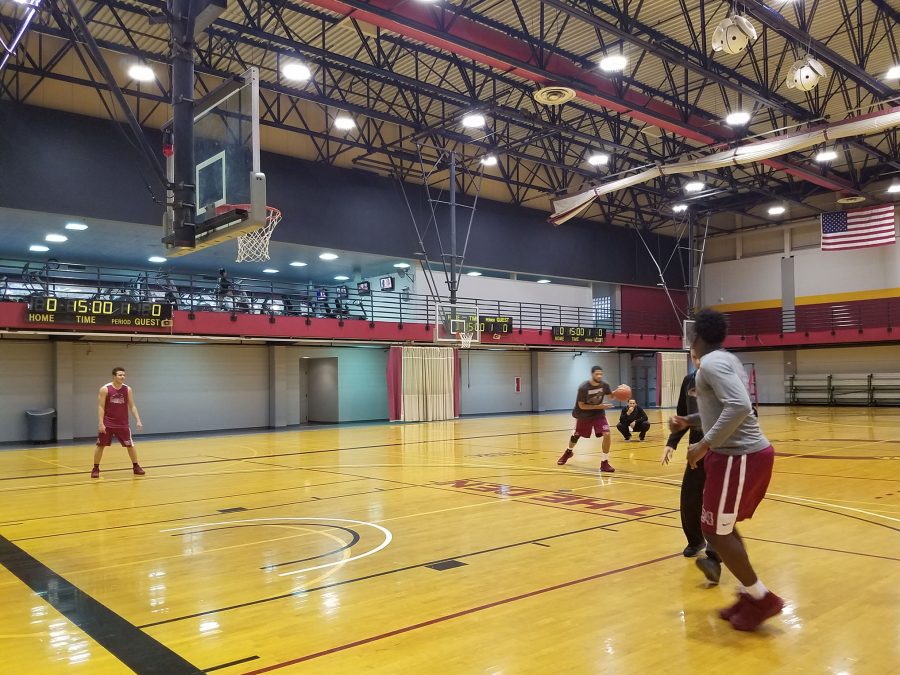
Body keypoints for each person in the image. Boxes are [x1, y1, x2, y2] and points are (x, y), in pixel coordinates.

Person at [669, 309, 782, 631]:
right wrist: (688, 421)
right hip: (736, 456)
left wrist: (702, 444)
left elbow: (741, 407)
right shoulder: (726, 359)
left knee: (716, 530)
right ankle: (751, 593)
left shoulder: (713, 364)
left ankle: (762, 600)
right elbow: (723, 408)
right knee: (718, 528)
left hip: (739, 456)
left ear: (695, 337)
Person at [662, 351, 722, 582]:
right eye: (695, 356)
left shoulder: (721, 381)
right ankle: (695, 540)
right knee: (689, 497)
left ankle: (714, 555)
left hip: (721, 448)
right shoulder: (689, 381)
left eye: (703, 356)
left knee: (716, 504)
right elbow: (683, 417)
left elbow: (738, 413)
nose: (699, 361)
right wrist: (671, 443)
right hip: (696, 449)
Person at [557, 365, 616, 473]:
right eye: (597, 374)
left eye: (601, 374)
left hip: (598, 414)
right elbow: (582, 406)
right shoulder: (584, 388)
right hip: (583, 414)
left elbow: (611, 396)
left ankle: (604, 462)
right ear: (592, 374)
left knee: (607, 434)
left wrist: (618, 393)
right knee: (576, 436)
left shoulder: (605, 385)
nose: (599, 376)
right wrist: (599, 406)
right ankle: (568, 452)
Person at [91, 367, 145, 478]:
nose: (122, 377)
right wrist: (101, 423)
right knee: (100, 445)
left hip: (123, 423)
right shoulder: (105, 389)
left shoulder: (127, 389)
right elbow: (101, 407)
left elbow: (132, 405)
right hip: (108, 423)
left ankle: (136, 466)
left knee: (130, 445)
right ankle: (95, 468)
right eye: (120, 375)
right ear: (114, 376)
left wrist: (138, 420)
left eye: (124, 375)